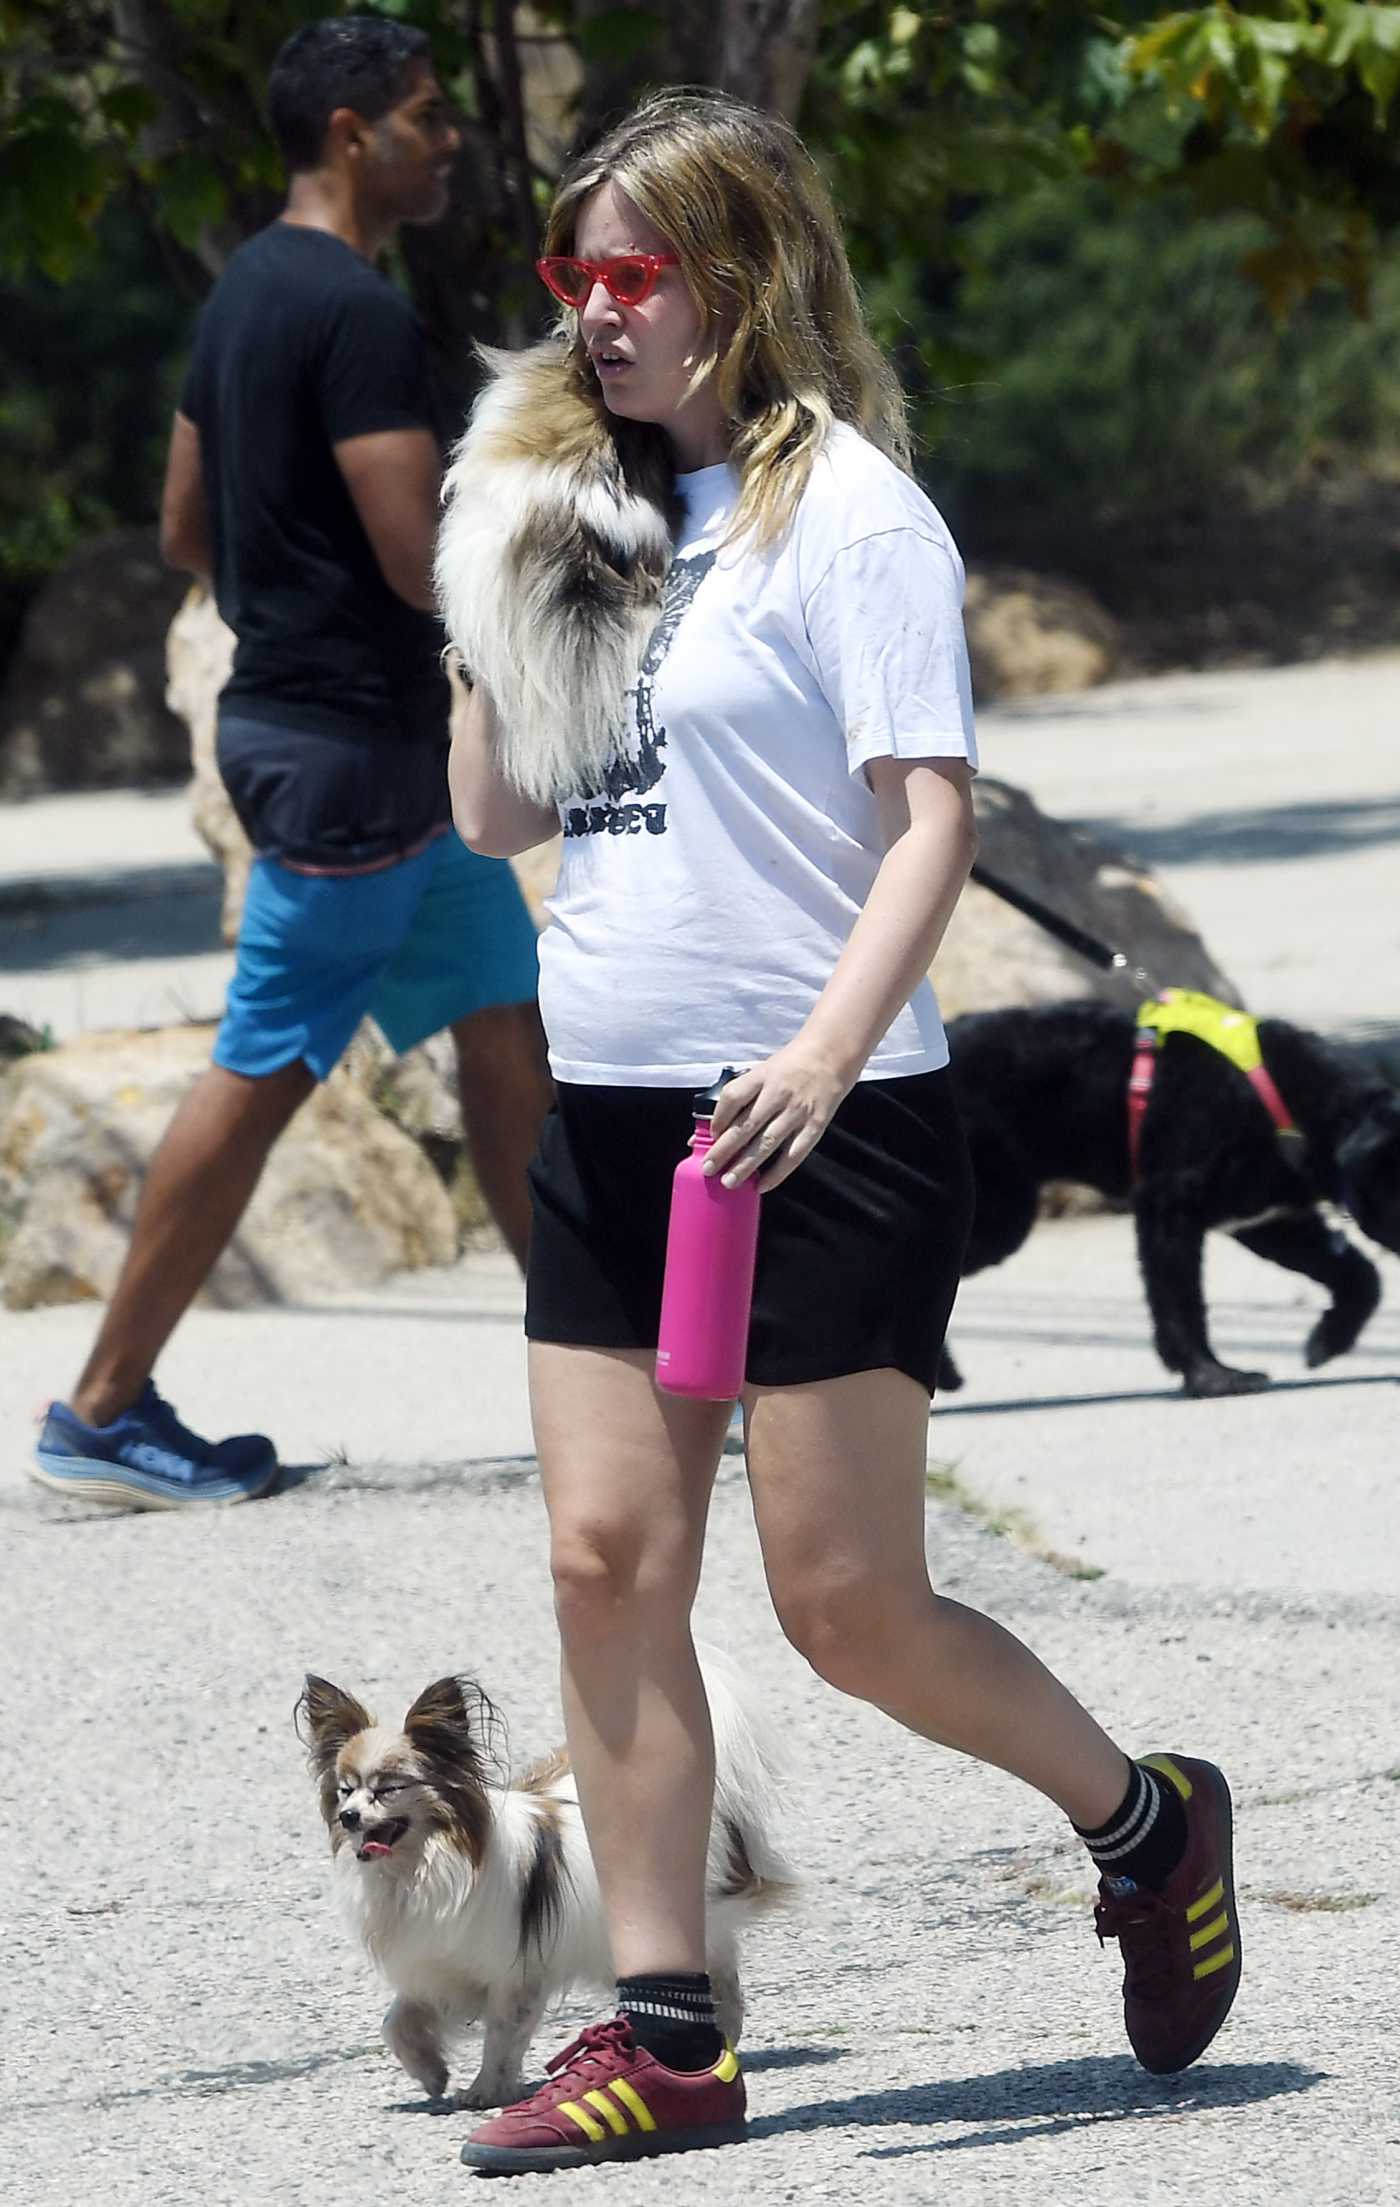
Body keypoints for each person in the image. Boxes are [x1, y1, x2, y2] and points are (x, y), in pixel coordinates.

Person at [439, 91, 1241, 2176]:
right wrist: (485, 598)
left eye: (630, 277)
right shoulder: (591, 521)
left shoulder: (851, 521)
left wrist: (819, 1050)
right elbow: (502, 821)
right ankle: (667, 2034)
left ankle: (1146, 1825)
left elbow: (933, 822)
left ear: (743, 279)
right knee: (603, 1566)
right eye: (570, 279)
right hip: (612, 1118)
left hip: (815, 1126)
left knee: (847, 1606)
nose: (591, 317)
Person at [30, 18, 550, 1512]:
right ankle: (102, 1409)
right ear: (348, 133)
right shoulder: (359, 313)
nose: (446, 140)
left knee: (505, 1023)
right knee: (260, 1070)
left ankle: (605, 1360)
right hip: (347, 763)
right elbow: (410, 556)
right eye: (426, 116)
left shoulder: (248, 289)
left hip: (350, 745)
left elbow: (191, 529)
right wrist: (555, 614)